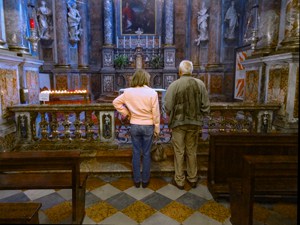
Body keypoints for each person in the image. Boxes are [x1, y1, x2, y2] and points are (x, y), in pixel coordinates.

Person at [164, 60, 210, 189]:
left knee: (179, 151)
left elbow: (167, 106)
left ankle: (179, 180)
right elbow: (206, 106)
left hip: (178, 123)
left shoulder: (174, 85)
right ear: (191, 71)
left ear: (180, 72)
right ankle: (193, 178)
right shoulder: (200, 84)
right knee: (192, 150)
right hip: (195, 122)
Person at [113, 69, 160, 188]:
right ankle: (145, 180)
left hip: (134, 124)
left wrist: (128, 113)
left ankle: (136, 180)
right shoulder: (152, 93)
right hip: (148, 125)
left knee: (136, 152)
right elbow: (156, 113)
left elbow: (115, 102)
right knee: (146, 153)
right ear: (146, 79)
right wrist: (157, 128)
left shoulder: (128, 92)